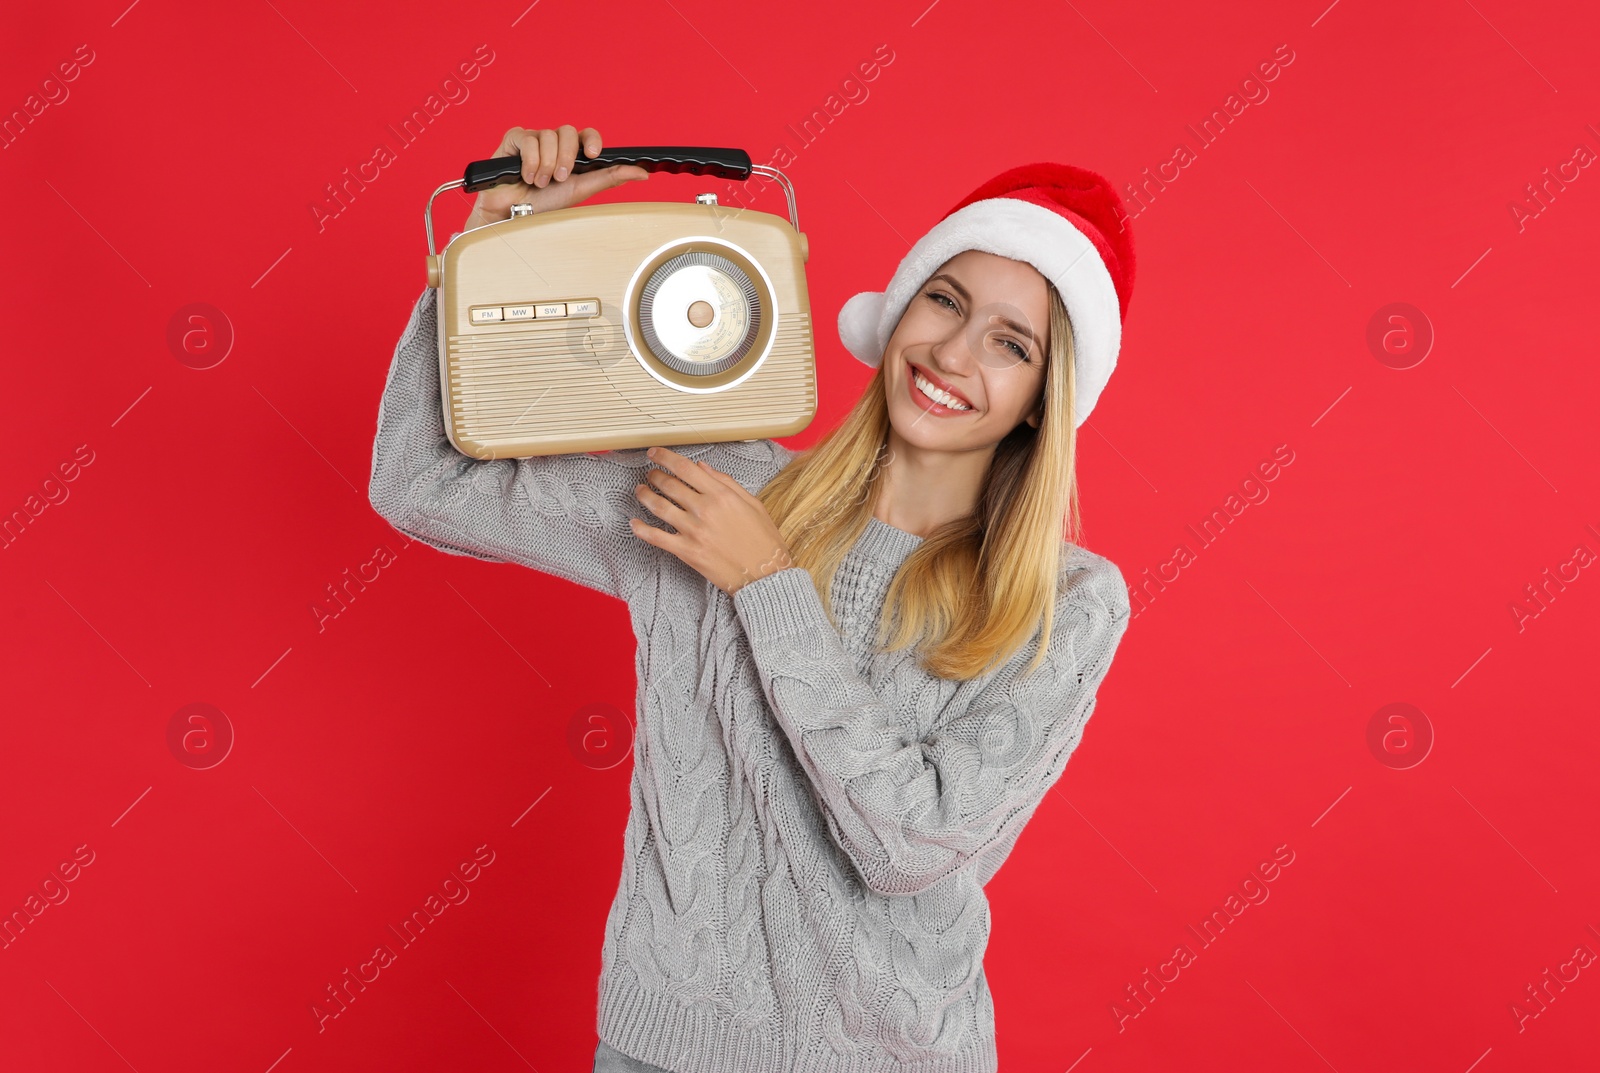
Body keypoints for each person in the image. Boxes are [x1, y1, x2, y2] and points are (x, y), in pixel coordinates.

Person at [368, 124, 1138, 1073]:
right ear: (899, 309)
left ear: (1038, 399)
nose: (953, 352)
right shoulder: (723, 487)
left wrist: (770, 584)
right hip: (666, 1050)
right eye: (945, 299)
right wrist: (487, 255)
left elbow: (906, 843)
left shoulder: (1069, 602)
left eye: (1010, 342)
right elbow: (420, 480)